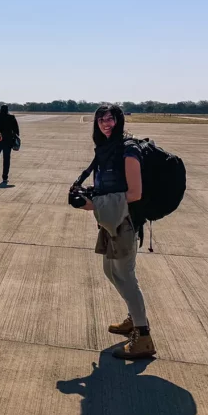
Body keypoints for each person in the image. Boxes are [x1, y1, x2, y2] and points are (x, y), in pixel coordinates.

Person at [68, 104, 154, 360]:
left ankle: (143, 336)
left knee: (124, 274)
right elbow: (112, 186)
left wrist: (93, 204)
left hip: (125, 222)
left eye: (111, 118)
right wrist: (90, 193)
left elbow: (135, 193)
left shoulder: (128, 150)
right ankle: (134, 317)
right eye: (101, 119)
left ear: (119, 121)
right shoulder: (106, 149)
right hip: (111, 221)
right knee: (110, 270)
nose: (106, 123)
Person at [0, 104, 20, 183]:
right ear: (7, 110)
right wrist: (15, 139)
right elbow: (16, 130)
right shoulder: (11, 118)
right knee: (6, 159)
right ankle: (5, 176)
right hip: (8, 141)